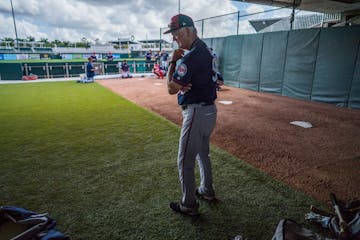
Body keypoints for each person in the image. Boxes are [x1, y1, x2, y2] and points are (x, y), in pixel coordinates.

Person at [164, 14, 223, 216]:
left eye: (175, 33)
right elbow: (217, 80)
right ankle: (207, 190)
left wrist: (172, 62)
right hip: (209, 111)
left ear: (188, 30)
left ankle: (188, 204)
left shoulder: (190, 56)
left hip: (196, 112)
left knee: (185, 161)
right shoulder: (206, 50)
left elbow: (171, 89)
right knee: (202, 154)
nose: (174, 39)